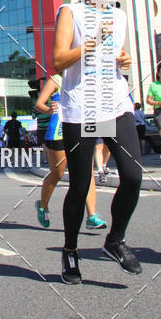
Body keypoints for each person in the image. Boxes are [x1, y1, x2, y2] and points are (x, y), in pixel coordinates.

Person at [53, 0, 143, 284]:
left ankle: (115, 240)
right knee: (79, 185)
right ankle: (71, 250)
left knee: (132, 175)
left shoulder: (119, 15)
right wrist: (88, 46)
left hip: (117, 103)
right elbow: (58, 59)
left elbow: (119, 57)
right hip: (81, 107)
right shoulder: (70, 12)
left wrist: (125, 60)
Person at [34, 74, 107, 230]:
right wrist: (48, 110)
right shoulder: (57, 80)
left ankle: (92, 216)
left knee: (87, 171)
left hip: (82, 128)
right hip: (59, 132)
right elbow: (39, 104)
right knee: (57, 174)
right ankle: (42, 205)